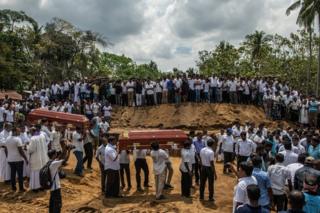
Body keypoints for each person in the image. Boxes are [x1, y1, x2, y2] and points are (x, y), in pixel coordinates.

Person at [3, 127, 28, 192]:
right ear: (15, 131)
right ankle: (21, 188)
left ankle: (13, 188)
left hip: (10, 159)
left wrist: (8, 157)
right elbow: (20, 151)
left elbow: (5, 149)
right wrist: (25, 158)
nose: (19, 132)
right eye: (18, 131)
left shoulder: (7, 139)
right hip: (18, 159)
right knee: (20, 174)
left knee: (12, 174)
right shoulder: (17, 139)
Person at [28, 125, 49, 191]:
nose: (29, 133)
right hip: (43, 157)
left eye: (30, 131)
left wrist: (26, 147)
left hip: (36, 158)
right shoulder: (42, 136)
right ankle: (42, 186)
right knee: (41, 173)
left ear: (32, 131)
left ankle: (35, 187)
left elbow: (31, 149)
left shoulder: (33, 138)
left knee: (35, 173)